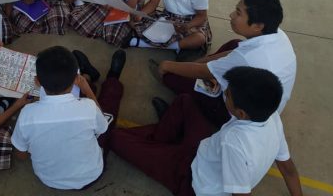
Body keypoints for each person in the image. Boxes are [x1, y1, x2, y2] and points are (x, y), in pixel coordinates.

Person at [110, 67, 303, 196]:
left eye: (227, 96)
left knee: (115, 137)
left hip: (189, 176)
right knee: (185, 102)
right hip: (205, 151)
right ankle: (162, 140)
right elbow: (289, 170)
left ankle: (161, 147)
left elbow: (241, 194)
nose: (224, 95)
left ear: (241, 113)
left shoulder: (234, 142)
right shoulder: (273, 118)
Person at [151, 0, 296, 128]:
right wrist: (204, 62)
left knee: (173, 77)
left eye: (238, 13)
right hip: (262, 101)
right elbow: (233, 54)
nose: (231, 15)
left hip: (242, 114)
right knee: (234, 44)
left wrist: (167, 65)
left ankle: (197, 111)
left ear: (258, 26)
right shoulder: (278, 34)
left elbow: (203, 72)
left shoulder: (248, 57)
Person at [11, 46, 126, 190]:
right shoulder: (88, 107)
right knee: (108, 112)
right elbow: (102, 127)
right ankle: (111, 78)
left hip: (48, 179)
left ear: (37, 82)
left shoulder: (26, 115)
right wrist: (86, 89)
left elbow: (20, 155)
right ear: (76, 79)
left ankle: (90, 75)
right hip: (92, 175)